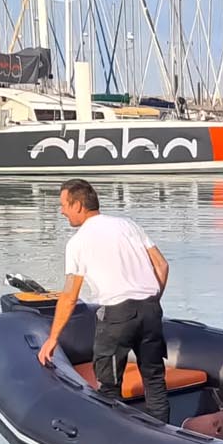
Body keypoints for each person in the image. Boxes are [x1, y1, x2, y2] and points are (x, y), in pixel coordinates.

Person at [37, 178, 172, 423]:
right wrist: (151, 301)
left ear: (78, 205)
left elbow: (70, 295)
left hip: (117, 316)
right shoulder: (128, 225)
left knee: (109, 388)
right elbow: (162, 266)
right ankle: (164, 435)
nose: (62, 211)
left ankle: (115, 436)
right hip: (150, 309)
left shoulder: (78, 242)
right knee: (154, 379)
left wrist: (53, 338)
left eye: (64, 205)